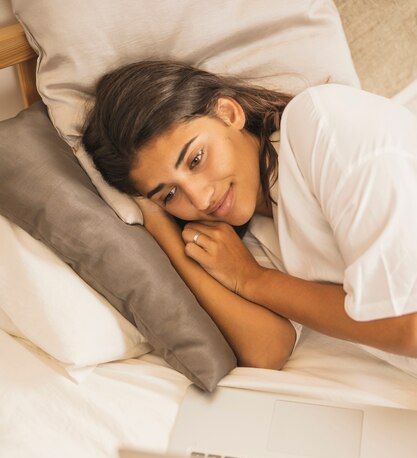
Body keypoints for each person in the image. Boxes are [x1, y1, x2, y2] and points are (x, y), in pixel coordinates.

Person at [82, 60, 417, 373]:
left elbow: (408, 327)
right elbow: (268, 348)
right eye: (169, 194)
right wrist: (160, 230)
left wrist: (252, 279)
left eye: (196, 159)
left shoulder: (320, 125)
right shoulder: (244, 225)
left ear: (229, 113)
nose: (199, 198)